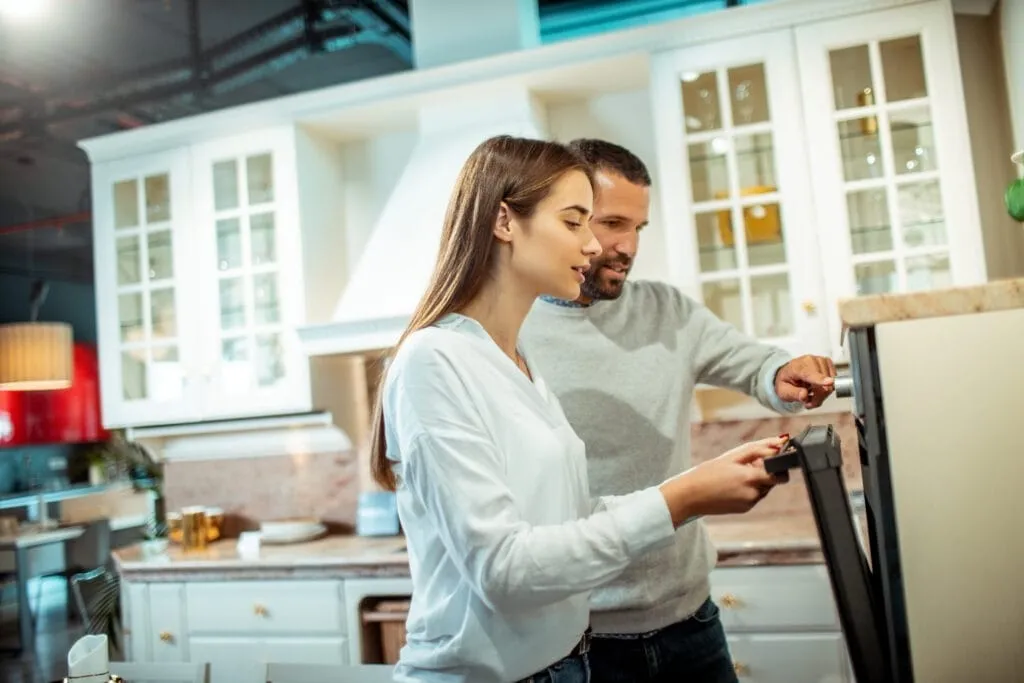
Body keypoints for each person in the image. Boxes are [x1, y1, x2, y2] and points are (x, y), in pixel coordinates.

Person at [369, 135, 789, 683]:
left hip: (562, 665)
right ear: (503, 221)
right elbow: (503, 568)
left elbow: (568, 520)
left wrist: (698, 485)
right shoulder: (435, 360)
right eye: (575, 223)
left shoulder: (514, 360)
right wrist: (678, 500)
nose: (594, 246)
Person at [519, 138, 837, 683]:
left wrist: (783, 373)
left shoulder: (665, 310)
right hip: (578, 642)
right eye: (611, 222)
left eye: (638, 228)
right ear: (567, 218)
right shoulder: (511, 331)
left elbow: (753, 363)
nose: (627, 245)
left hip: (691, 621)